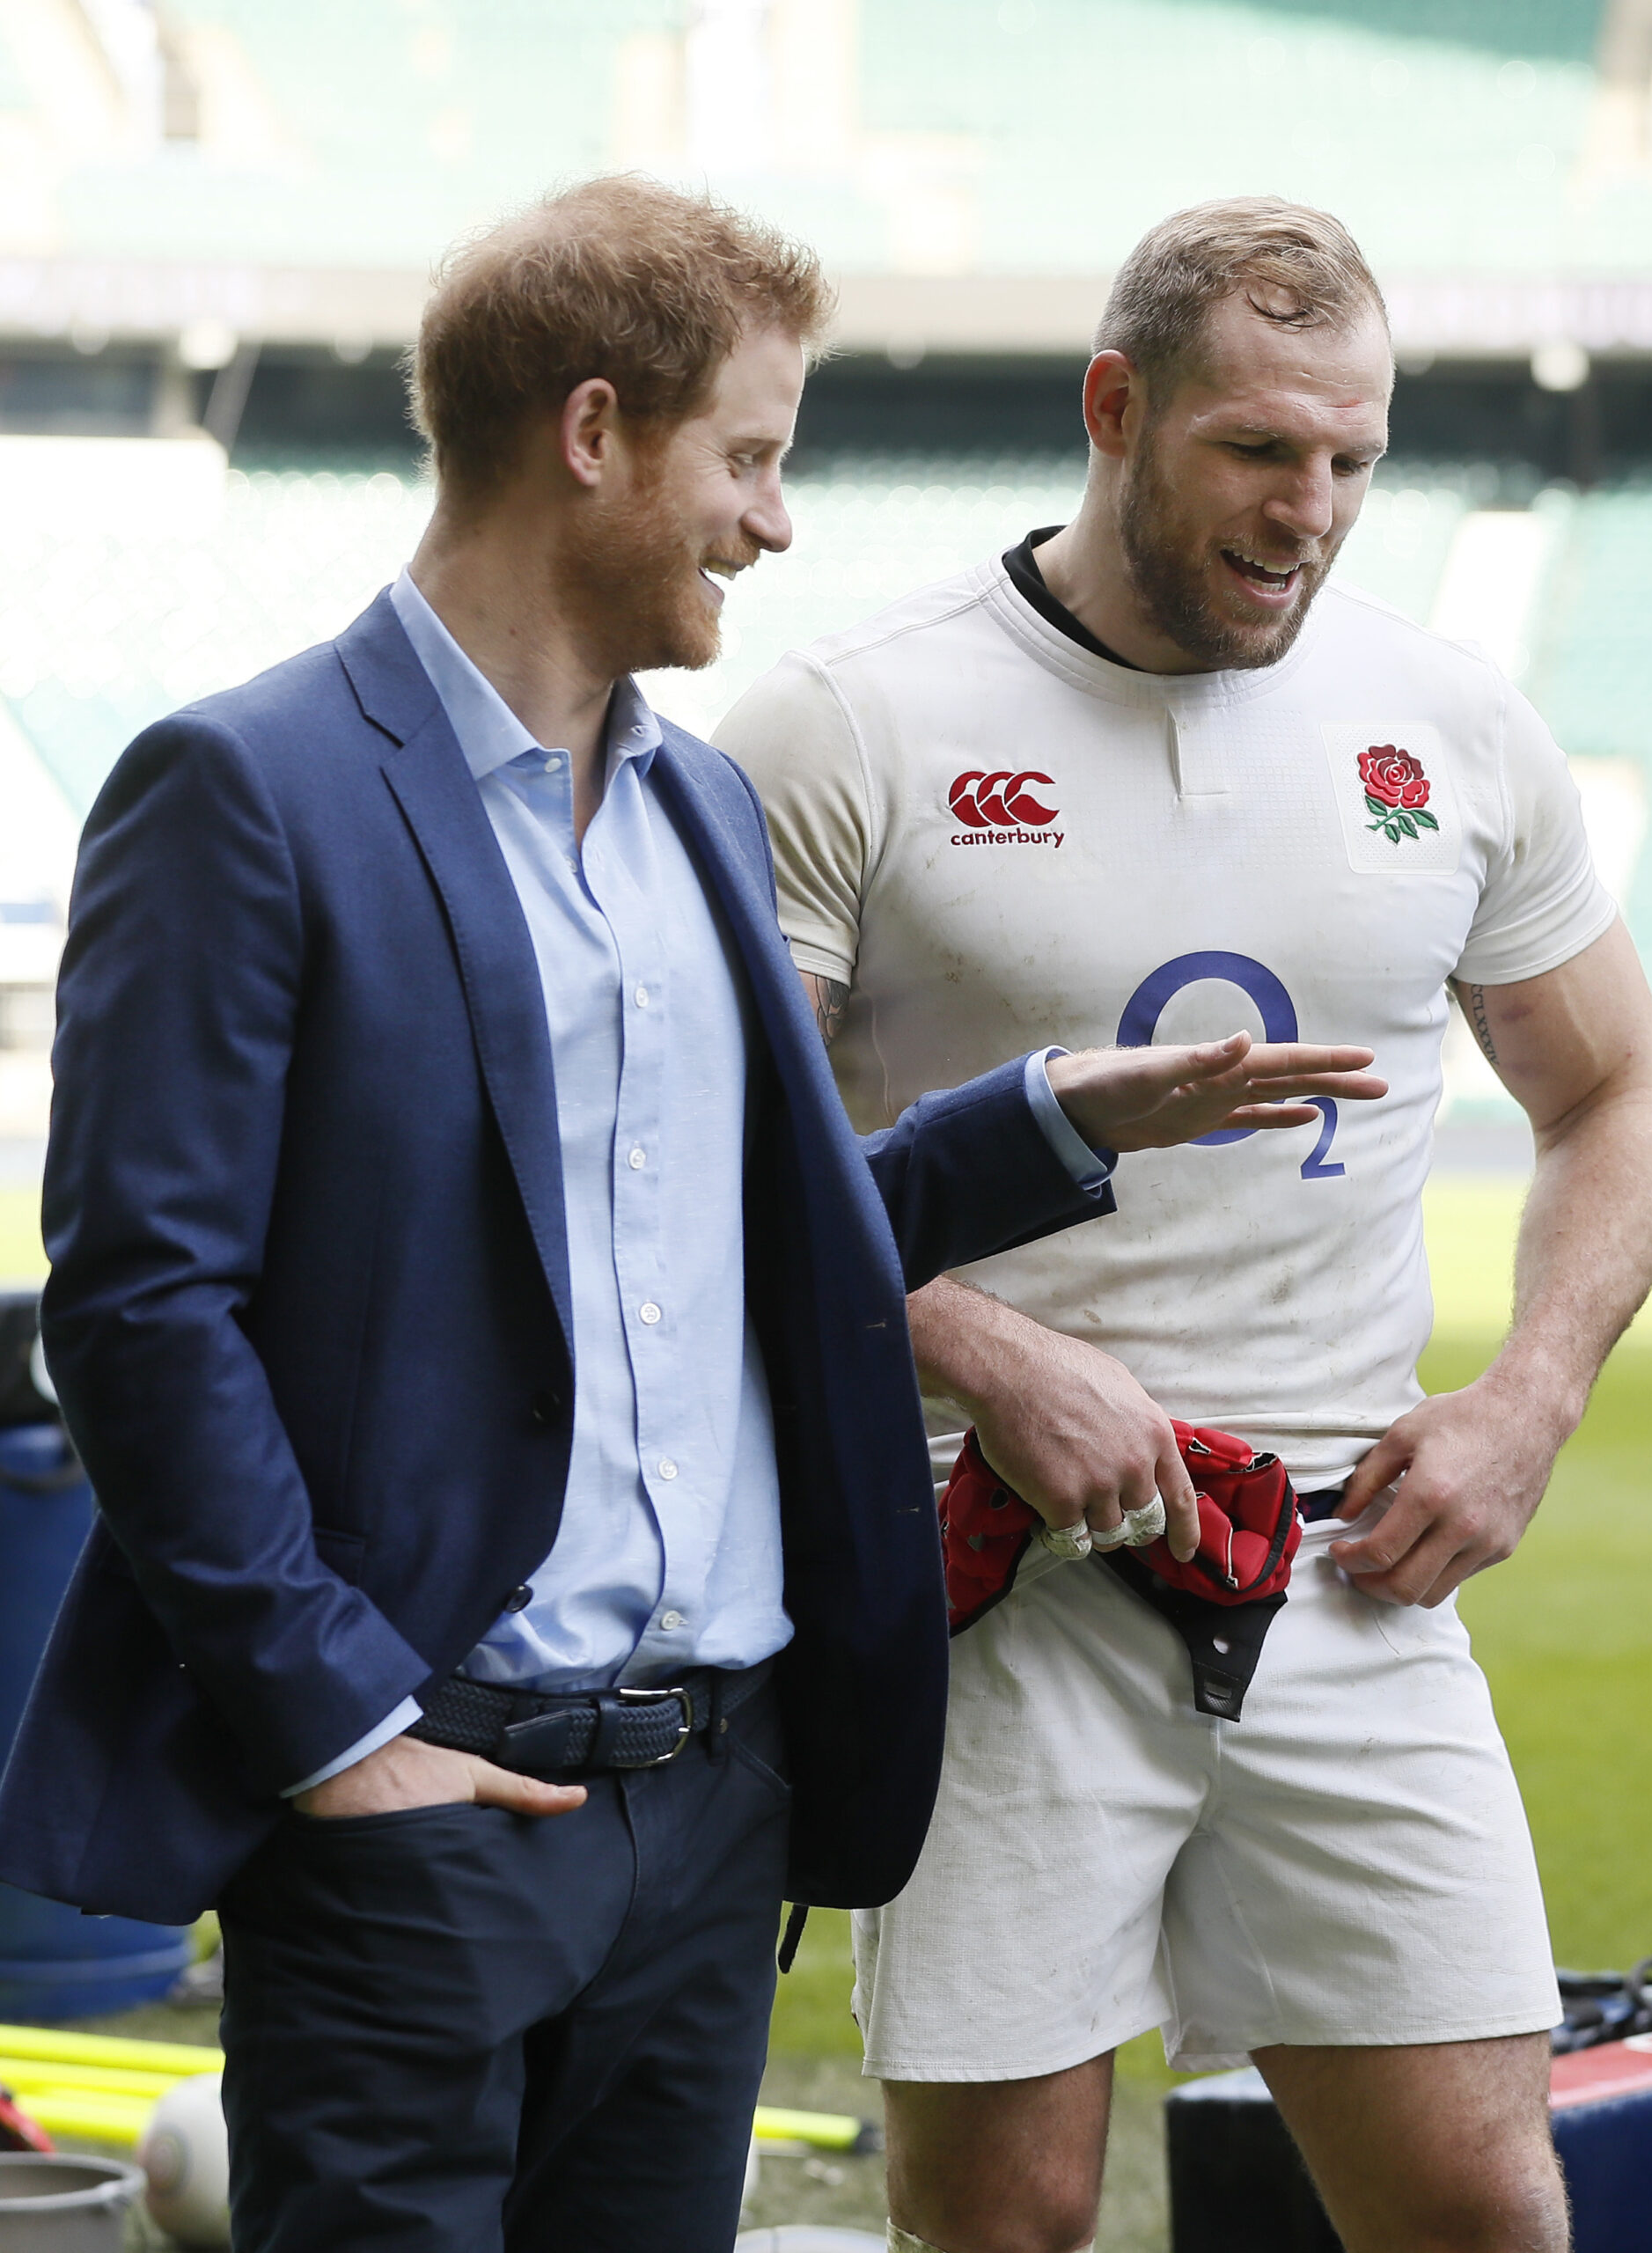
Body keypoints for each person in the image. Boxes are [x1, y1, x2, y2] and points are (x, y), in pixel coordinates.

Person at [0, 180, 1384, 2253]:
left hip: (709, 1806)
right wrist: (337, 1726)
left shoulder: (695, 803)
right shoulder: (247, 787)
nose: (774, 518)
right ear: (592, 434)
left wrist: (1037, 1121)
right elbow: (138, 1306)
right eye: (747, 456)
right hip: (422, 1802)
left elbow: (766, 1239)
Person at [716, 196, 1652, 2253]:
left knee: (1478, 2211)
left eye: (1350, 457)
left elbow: (1609, 1091)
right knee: (1009, 2224)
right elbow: (715, 1155)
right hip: (993, 1573)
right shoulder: (850, 722)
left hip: (1352, 1568)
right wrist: (980, 1346)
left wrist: (1523, 1396)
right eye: (1257, 449)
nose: (1308, 507)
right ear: (1113, 405)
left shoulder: (1451, 722)